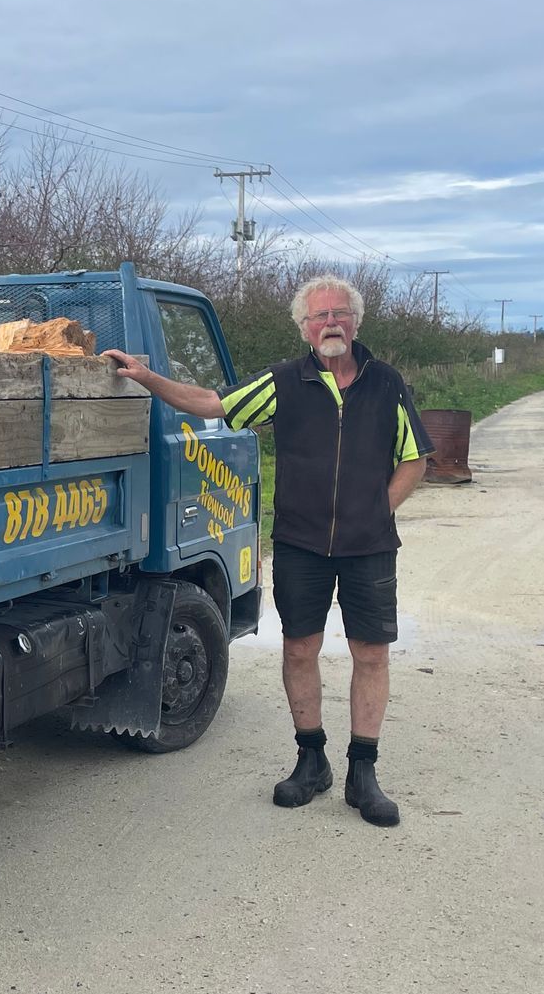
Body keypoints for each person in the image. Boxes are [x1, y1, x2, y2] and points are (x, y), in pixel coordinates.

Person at [102, 274, 431, 827]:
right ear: (304, 328)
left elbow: (415, 457)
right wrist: (148, 378)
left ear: (356, 321)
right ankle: (311, 760)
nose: (331, 323)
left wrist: (378, 511)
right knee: (300, 650)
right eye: (319, 316)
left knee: (370, 654)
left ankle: (363, 771)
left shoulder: (387, 383)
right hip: (301, 545)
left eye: (340, 313)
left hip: (369, 547)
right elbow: (211, 403)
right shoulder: (283, 382)